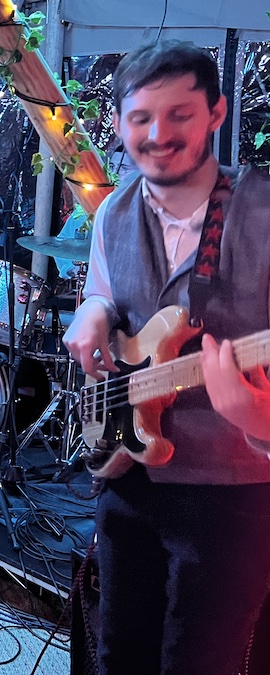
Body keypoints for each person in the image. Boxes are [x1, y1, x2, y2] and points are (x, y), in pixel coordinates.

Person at [62, 40, 270, 674]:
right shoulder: (113, 210)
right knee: (117, 656)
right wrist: (93, 307)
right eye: (140, 117)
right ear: (119, 122)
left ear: (216, 114)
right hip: (128, 477)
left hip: (232, 497)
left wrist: (258, 418)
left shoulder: (264, 212)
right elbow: (106, 290)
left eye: (180, 114)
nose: (157, 135)